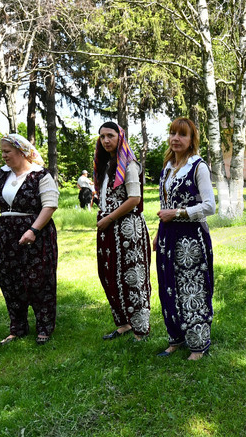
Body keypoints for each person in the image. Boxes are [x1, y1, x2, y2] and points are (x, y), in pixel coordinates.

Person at [0, 134, 59, 345]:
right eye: (2, 152)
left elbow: (50, 205)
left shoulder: (40, 175)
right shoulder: (2, 175)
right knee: (10, 280)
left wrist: (33, 230)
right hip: (6, 235)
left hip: (37, 234)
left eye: (7, 152)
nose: (3, 156)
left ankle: (44, 326)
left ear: (21, 152)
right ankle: (17, 327)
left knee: (39, 279)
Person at [154, 117, 215, 361]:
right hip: (168, 235)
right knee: (168, 287)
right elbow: (164, 204)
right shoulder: (168, 166)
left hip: (191, 236)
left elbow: (210, 206)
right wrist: (159, 232)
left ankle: (198, 345)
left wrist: (178, 213)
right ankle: (175, 339)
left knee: (192, 288)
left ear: (192, 141)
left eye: (182, 135)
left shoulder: (198, 166)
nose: (176, 139)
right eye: (172, 133)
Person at [94, 122, 151, 341]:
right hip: (108, 229)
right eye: (102, 137)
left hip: (128, 229)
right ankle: (124, 323)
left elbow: (135, 199)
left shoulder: (129, 164)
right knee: (108, 275)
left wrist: (109, 218)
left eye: (110, 136)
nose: (106, 140)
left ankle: (140, 329)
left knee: (132, 278)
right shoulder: (106, 164)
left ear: (120, 137)